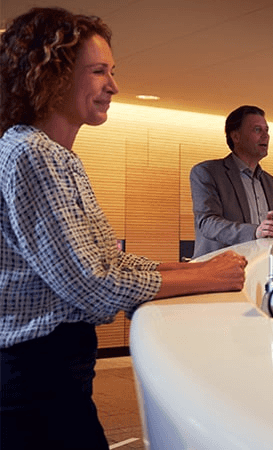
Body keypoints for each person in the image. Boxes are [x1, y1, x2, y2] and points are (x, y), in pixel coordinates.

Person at [0, 7, 247, 448]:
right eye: (99, 72)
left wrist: (192, 270)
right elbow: (94, 285)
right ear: (50, 76)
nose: (113, 86)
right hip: (34, 377)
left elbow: (106, 262)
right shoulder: (32, 154)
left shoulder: (56, 155)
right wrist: (209, 276)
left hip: (51, 372)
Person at [189, 105, 273, 258]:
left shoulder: (269, 182)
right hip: (217, 271)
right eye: (257, 130)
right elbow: (208, 223)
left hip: (258, 268)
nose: (265, 136)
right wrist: (255, 231)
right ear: (236, 137)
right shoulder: (207, 172)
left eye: (267, 130)